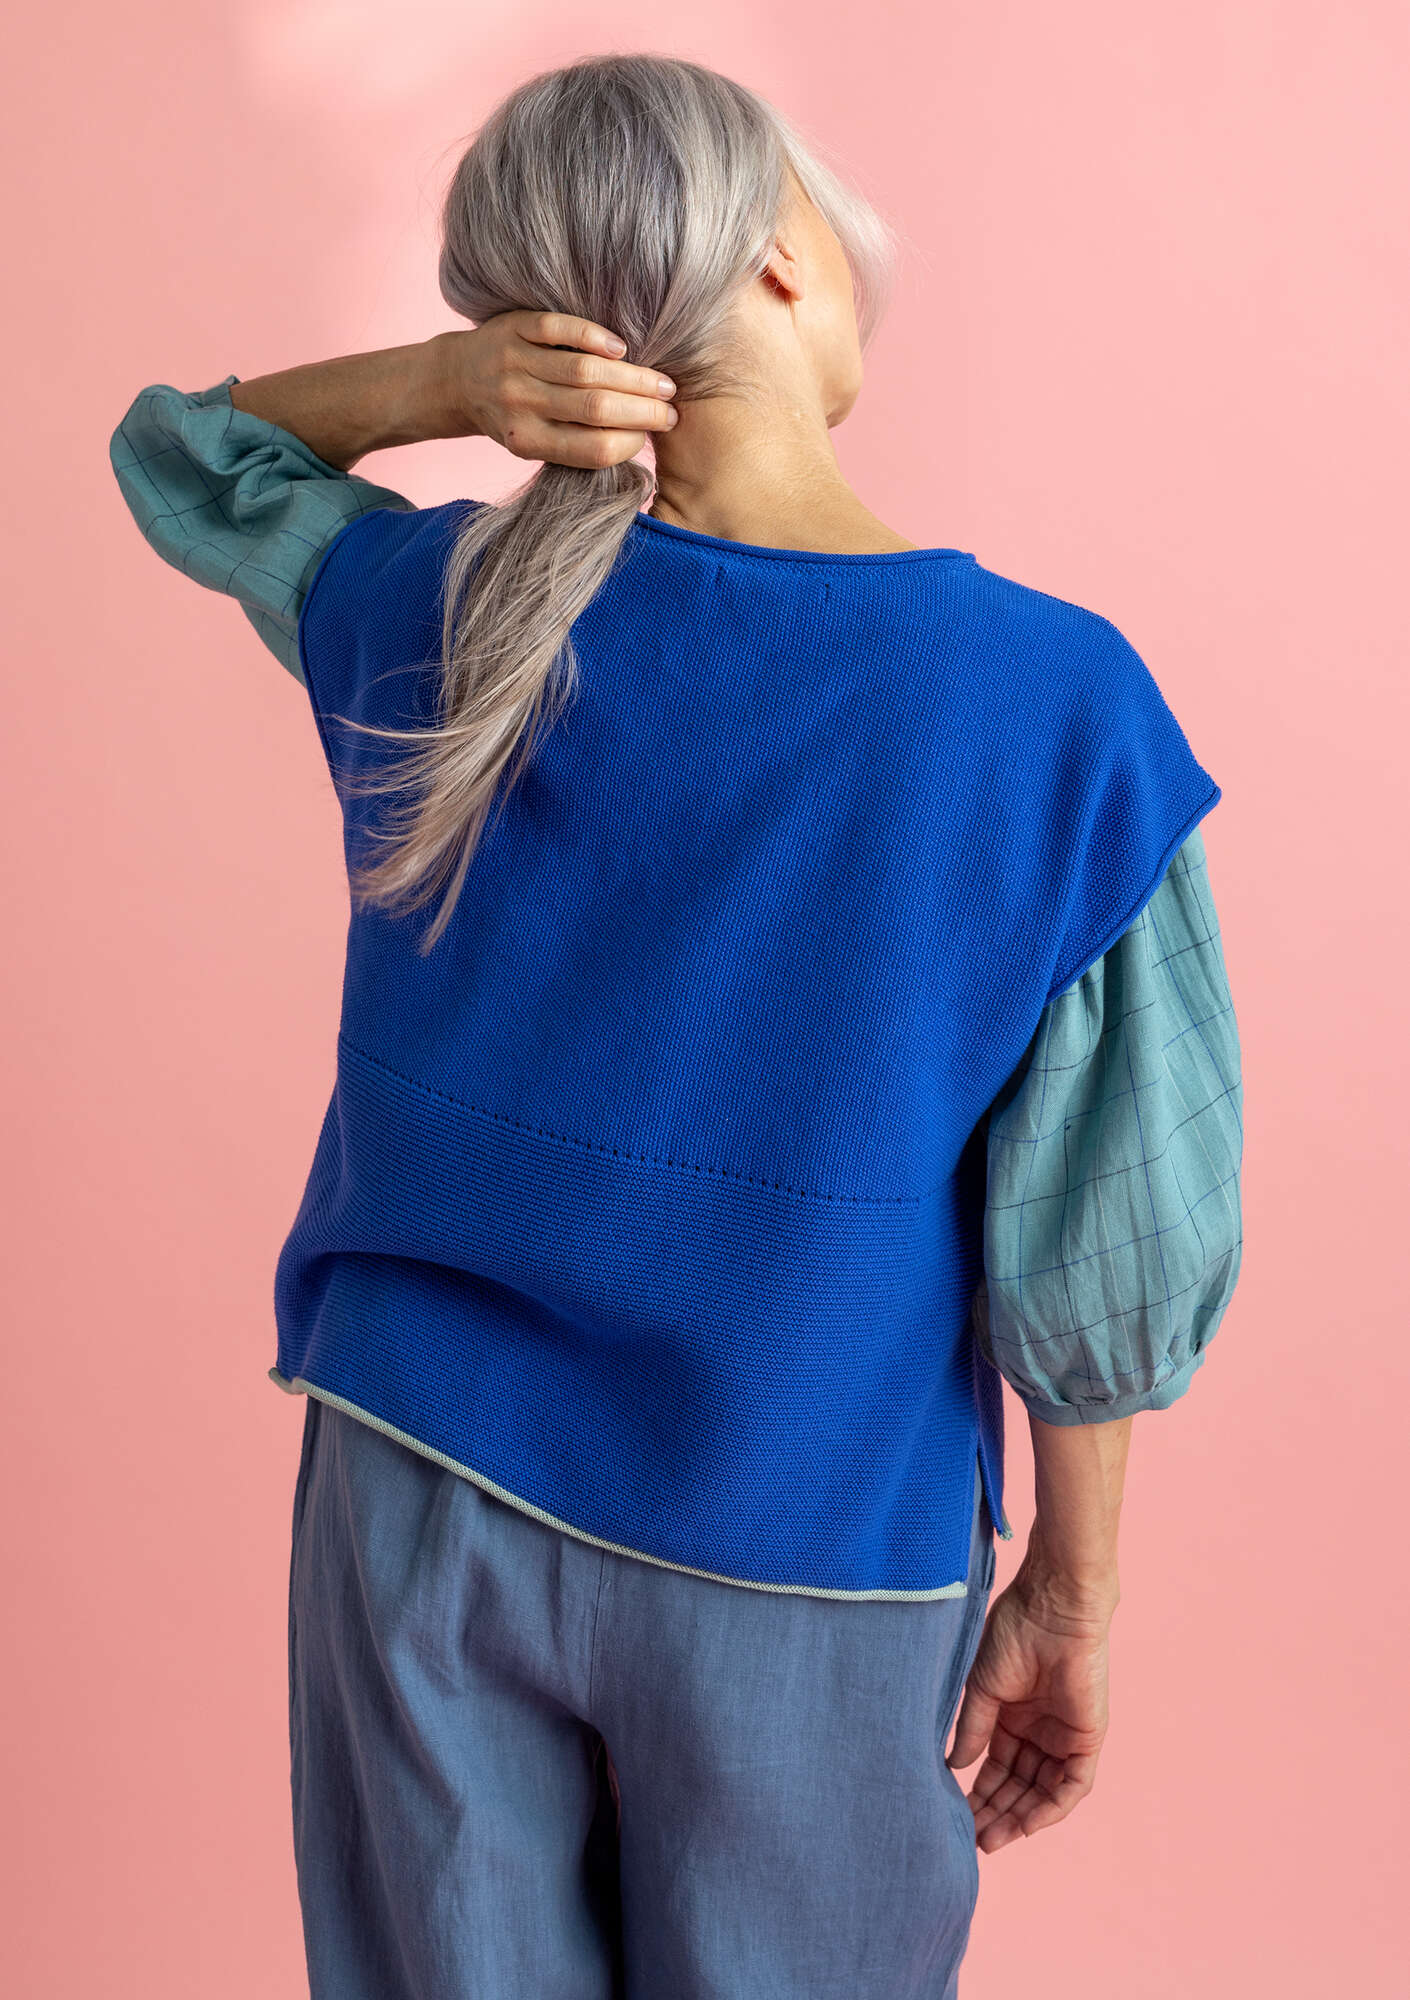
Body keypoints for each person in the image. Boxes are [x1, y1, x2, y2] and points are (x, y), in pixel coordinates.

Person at [109, 51, 1242, 2000]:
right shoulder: (1056, 712)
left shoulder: (437, 606)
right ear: (784, 259)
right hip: (800, 1531)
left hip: (415, 1479)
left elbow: (187, 460)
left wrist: (443, 391)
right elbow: (1100, 1244)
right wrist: (1072, 1590)